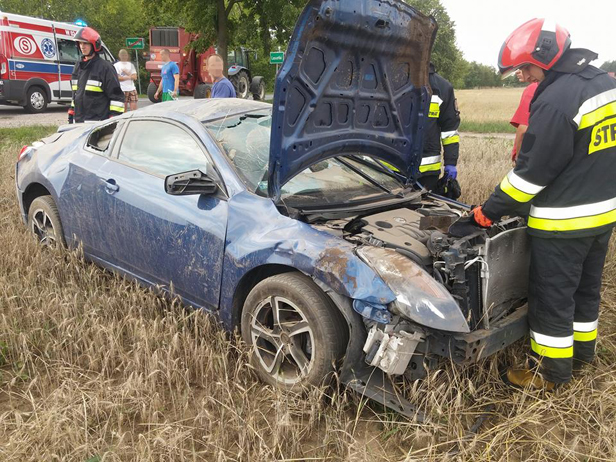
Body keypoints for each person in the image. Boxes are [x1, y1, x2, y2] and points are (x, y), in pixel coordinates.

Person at [450, 18, 616, 390]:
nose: (522, 76)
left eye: (524, 67)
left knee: (552, 300)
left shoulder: (557, 101)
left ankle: (549, 374)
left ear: (547, 57)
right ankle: (581, 357)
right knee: (584, 291)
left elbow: (529, 177)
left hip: (564, 224)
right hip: (602, 215)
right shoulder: (605, 83)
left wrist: (485, 213)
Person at [68, 27, 125, 123]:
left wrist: (113, 119)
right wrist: (71, 111)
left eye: (85, 43)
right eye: (80, 43)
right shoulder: (78, 66)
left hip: (98, 123)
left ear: (95, 45)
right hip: (78, 122)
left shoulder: (105, 67)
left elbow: (117, 97)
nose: (82, 46)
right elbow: (76, 94)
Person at [419, 63, 461, 192]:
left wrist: (450, 163)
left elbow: (449, 130)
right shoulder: (387, 81)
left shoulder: (442, 87)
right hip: (385, 172)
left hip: (427, 175)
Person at [510, 69, 539, 163]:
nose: (517, 72)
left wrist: (519, 159)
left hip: (531, 156)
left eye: (521, 68)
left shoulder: (533, 88)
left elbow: (523, 130)